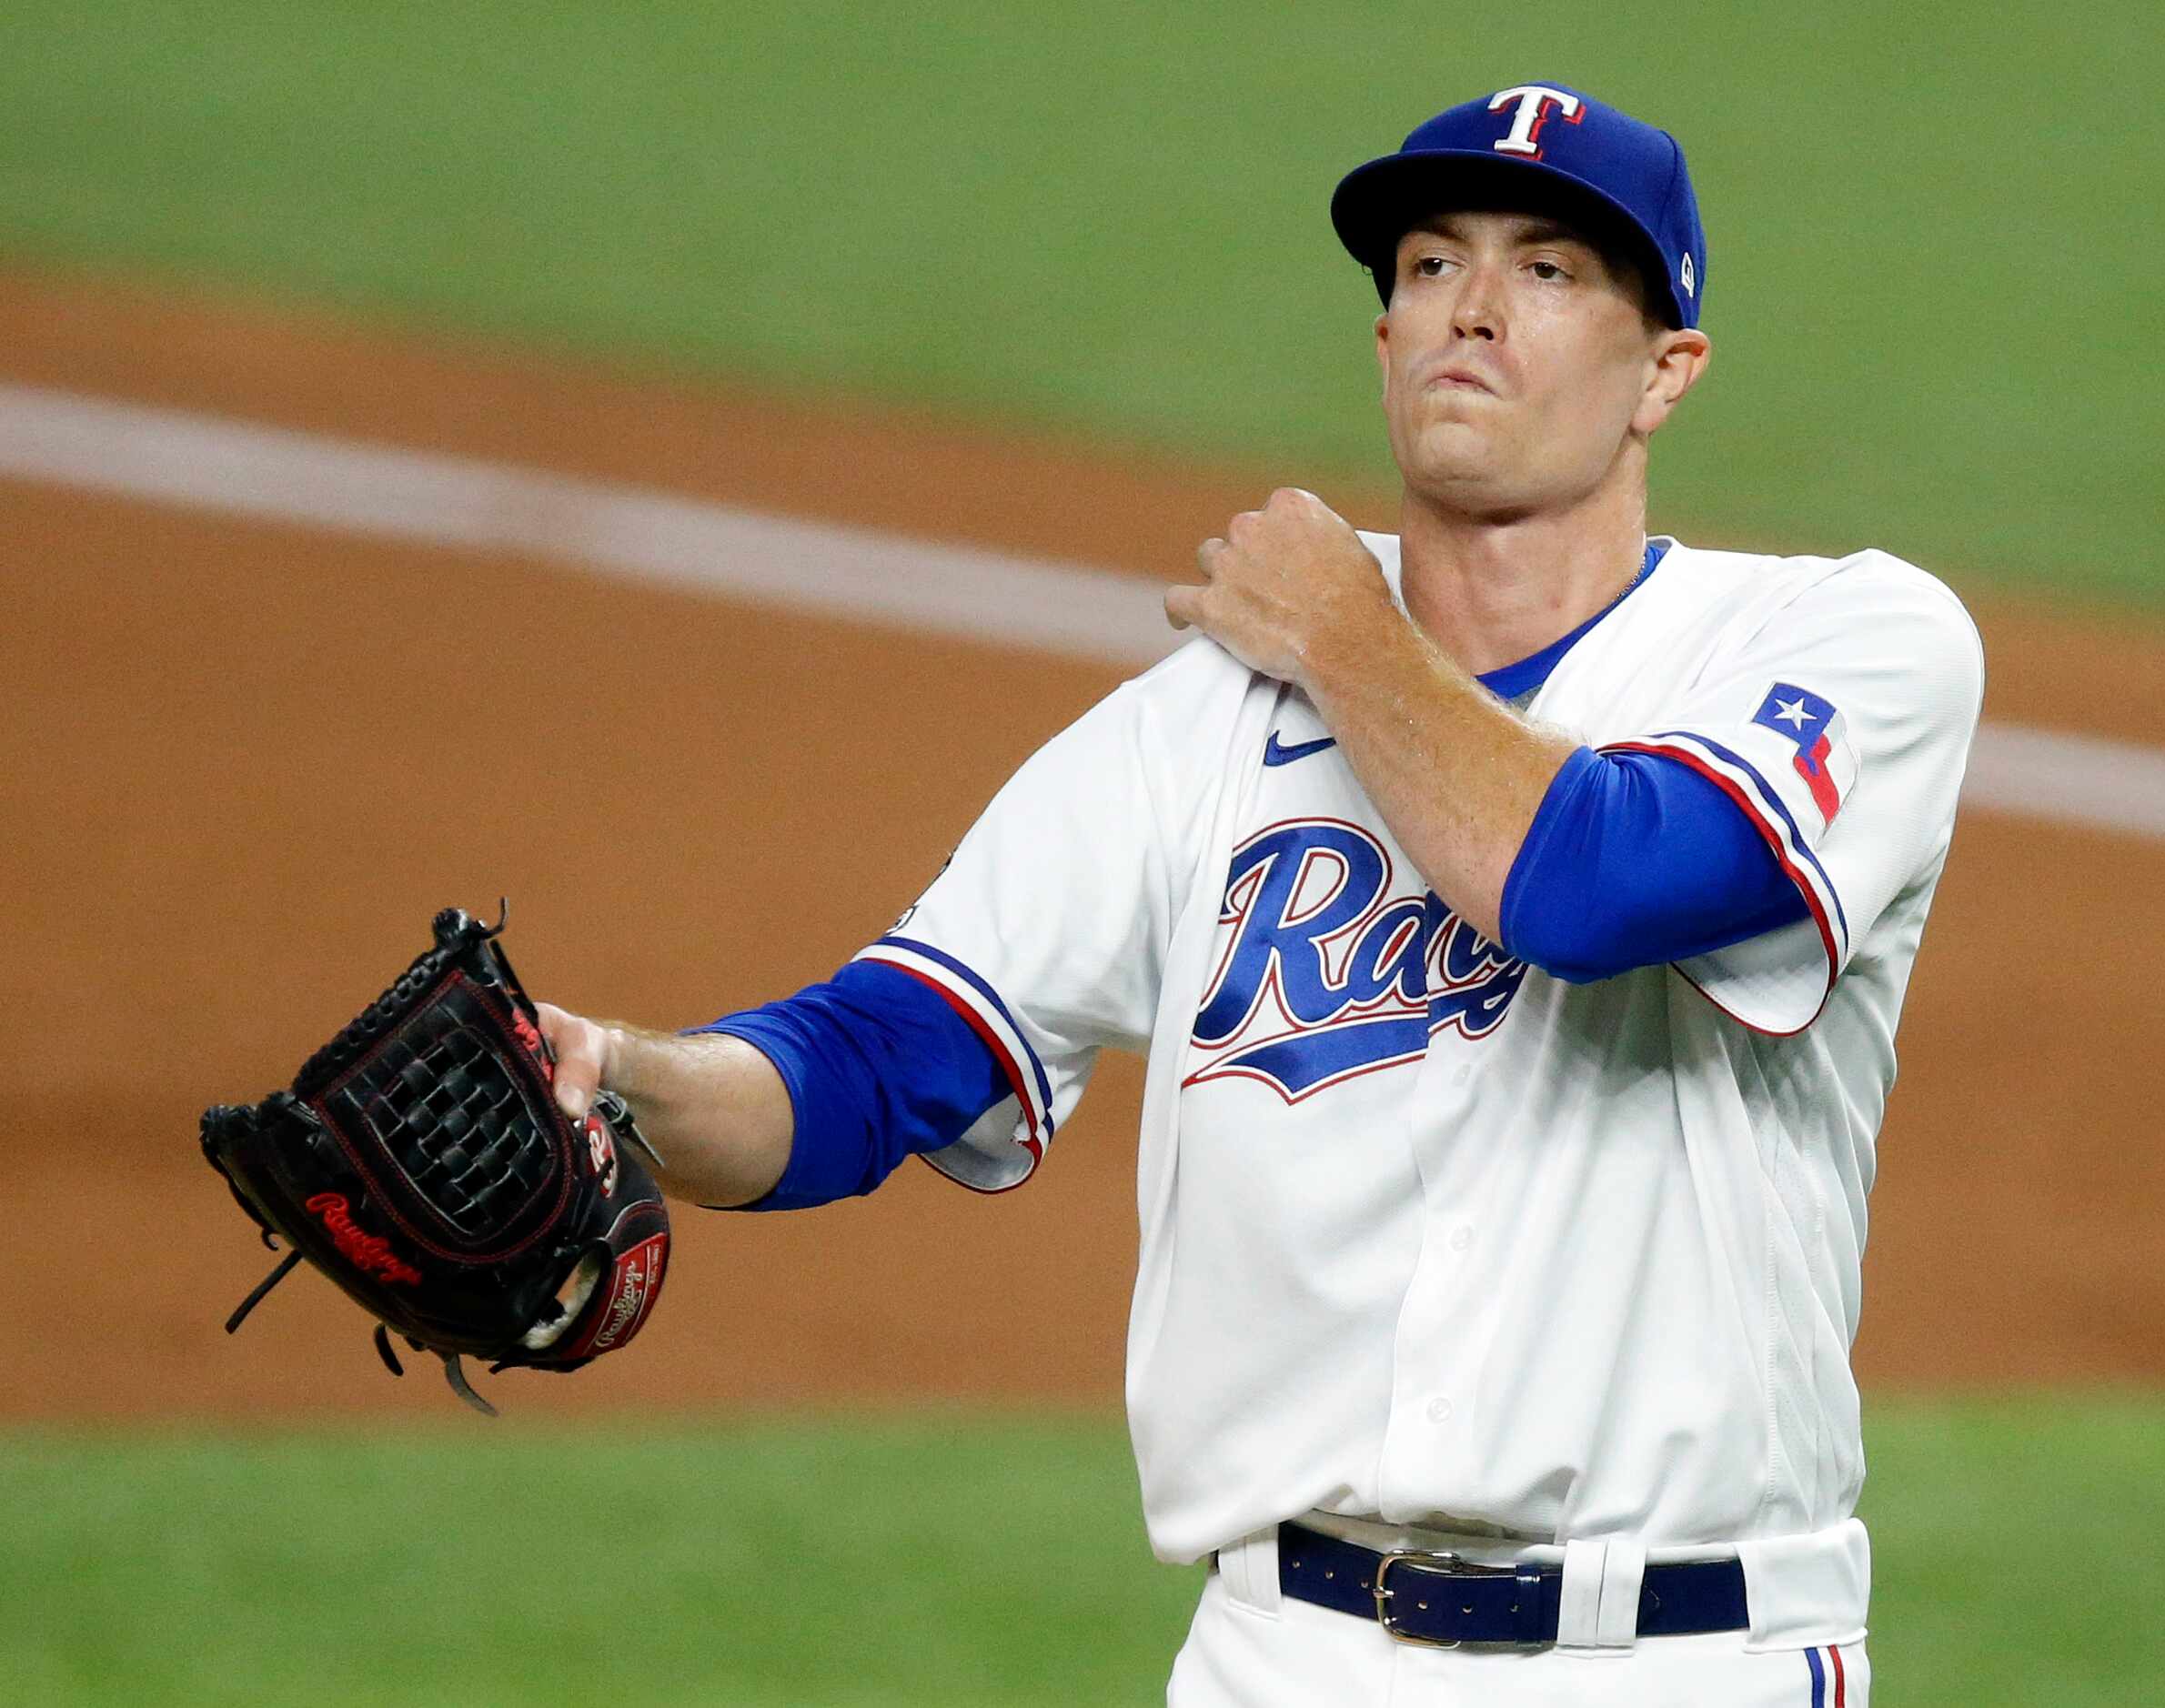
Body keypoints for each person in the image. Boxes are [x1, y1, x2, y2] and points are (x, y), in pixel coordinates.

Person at [540, 81, 1981, 1706]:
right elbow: (881, 1058)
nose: (1476, 311)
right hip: (1278, 1657)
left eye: (1552, 271)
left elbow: (1602, 881)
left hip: (1676, 1653)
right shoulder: (1202, 720)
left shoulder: (1840, 644)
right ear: (1383, 340)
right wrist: (629, 1078)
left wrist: (1345, 636)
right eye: (1431, 266)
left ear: (1666, 370)